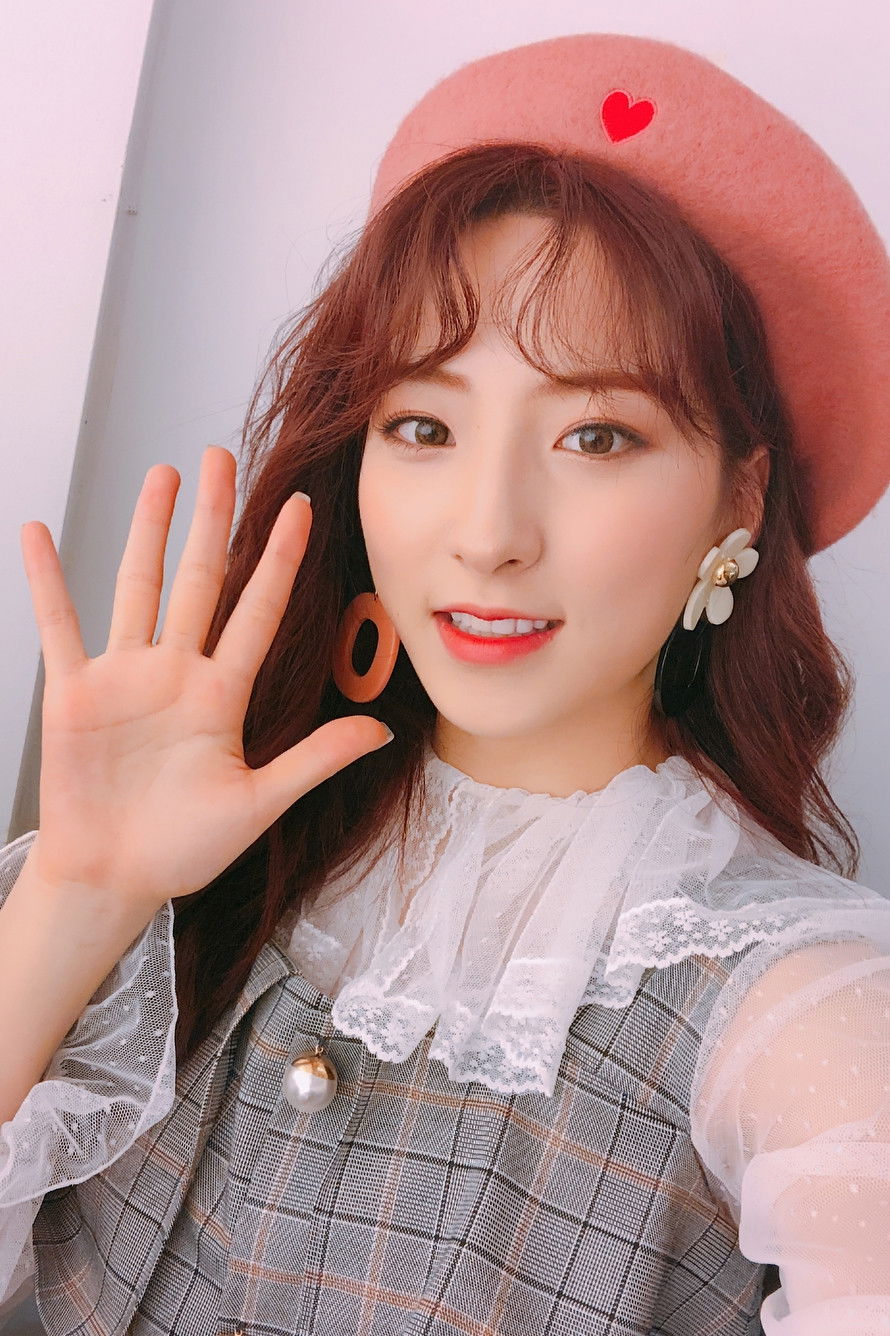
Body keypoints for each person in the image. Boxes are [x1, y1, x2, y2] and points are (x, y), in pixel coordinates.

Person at [1, 30, 889, 1335]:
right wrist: (80, 894)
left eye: (597, 434)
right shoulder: (212, 842)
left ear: (735, 500)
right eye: (424, 426)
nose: (487, 533)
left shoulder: (797, 1010)